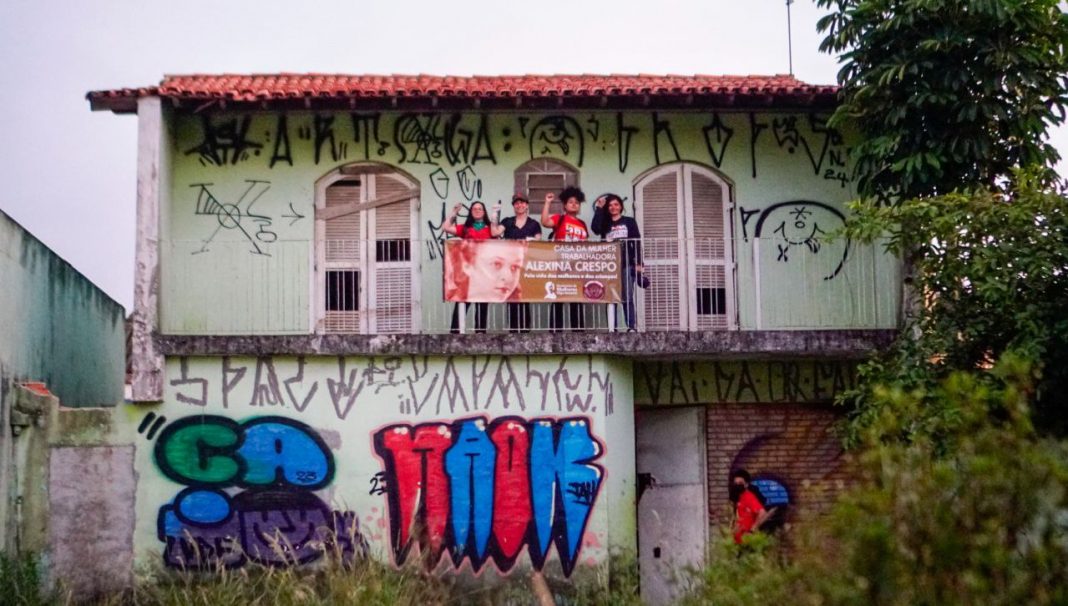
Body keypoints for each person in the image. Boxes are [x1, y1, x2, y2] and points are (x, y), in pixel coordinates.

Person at [443, 201, 499, 332]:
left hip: (485, 273)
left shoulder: (490, 228)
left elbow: (497, 238)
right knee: (462, 302)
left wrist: (495, 214)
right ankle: (455, 332)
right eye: (474, 209)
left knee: (482, 305)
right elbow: (446, 227)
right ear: (471, 212)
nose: (477, 210)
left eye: (480, 209)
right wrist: (454, 212)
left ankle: (480, 332)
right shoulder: (466, 227)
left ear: (484, 212)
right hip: (468, 272)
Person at [591, 193, 644, 332]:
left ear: (621, 206)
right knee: (610, 296)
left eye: (616, 204)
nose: (613, 207)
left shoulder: (629, 221)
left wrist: (639, 263)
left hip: (626, 263)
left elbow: (637, 242)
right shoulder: (605, 222)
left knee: (627, 296)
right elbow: (595, 229)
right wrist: (599, 208)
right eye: (610, 205)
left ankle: (631, 327)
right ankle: (611, 328)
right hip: (609, 265)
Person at [540, 186, 589, 331]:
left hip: (577, 268)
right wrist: (547, 203)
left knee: (577, 299)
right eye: (571, 202)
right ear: (565, 205)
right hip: (560, 265)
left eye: (577, 202)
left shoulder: (583, 224)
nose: (574, 204)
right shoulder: (560, 218)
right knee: (558, 297)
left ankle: (578, 331)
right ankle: (555, 330)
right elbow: (544, 222)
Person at [499, 193, 542, 332]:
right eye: (516, 203)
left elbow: (538, 240)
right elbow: (495, 232)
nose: (519, 205)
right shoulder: (507, 221)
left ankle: (525, 330)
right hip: (510, 265)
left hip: (526, 265)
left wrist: (530, 240)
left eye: (522, 203)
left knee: (525, 296)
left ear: (527, 205)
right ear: (513, 206)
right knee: (511, 297)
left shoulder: (534, 224)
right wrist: (494, 215)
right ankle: (512, 330)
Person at [729, 469, 776, 545]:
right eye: (736, 483)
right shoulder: (738, 498)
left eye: (740, 483)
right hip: (738, 541)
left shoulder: (749, 497)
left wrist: (752, 529)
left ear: (746, 484)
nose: (737, 486)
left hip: (747, 541)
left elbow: (762, 513)